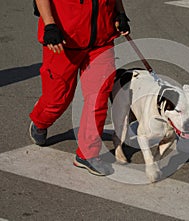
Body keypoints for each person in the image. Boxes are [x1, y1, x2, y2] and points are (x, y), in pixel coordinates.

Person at [29, 0, 130, 176]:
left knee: (98, 96)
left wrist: (119, 13)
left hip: (101, 40)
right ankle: (40, 121)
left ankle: (88, 154)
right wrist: (49, 24)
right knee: (58, 98)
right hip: (63, 40)